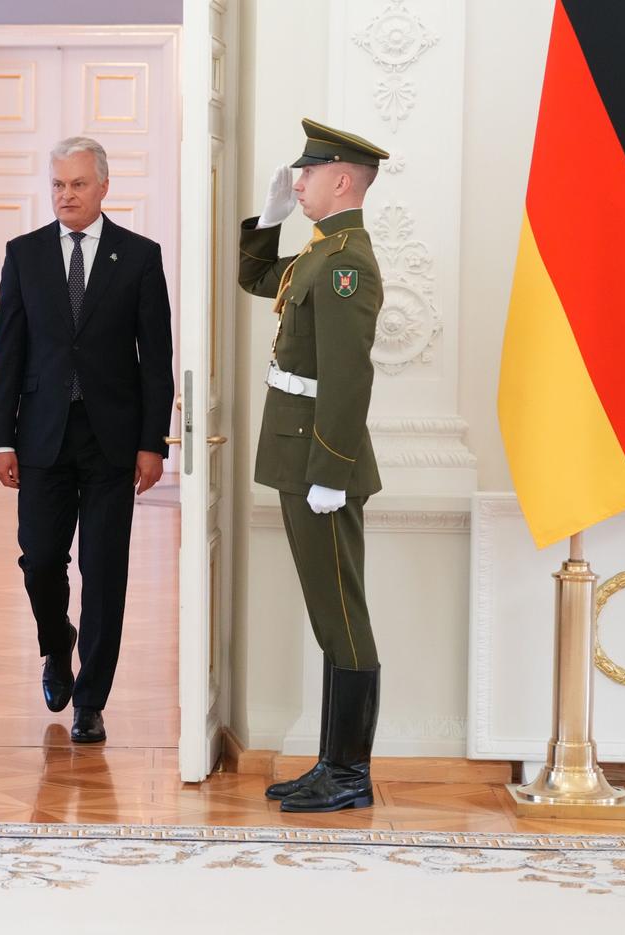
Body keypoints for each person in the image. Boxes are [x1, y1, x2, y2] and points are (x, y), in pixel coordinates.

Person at [0, 137, 174, 744]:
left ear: (102, 188)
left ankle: (91, 699)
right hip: (41, 437)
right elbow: (8, 350)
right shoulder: (24, 254)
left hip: (112, 443)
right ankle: (55, 644)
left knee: (104, 571)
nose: (65, 195)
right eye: (58, 185)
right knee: (41, 559)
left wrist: (153, 442)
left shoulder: (140, 257)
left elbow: (156, 361)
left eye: (77, 185)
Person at [237, 118, 389, 812]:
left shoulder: (348, 261)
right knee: (329, 614)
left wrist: (330, 468)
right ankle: (333, 761)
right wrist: (267, 219)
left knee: (342, 616)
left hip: (319, 462)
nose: (297, 182)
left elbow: (348, 378)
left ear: (343, 180)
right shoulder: (319, 253)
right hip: (300, 453)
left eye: (307, 173)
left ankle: (350, 771)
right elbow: (255, 277)